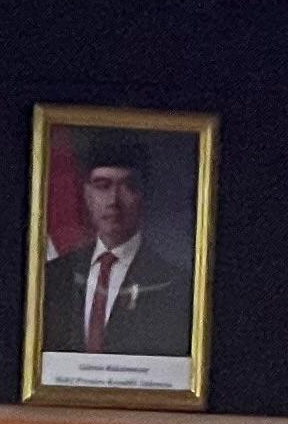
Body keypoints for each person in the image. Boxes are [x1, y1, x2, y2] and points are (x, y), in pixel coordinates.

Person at [39, 131, 192, 359]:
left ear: (144, 194)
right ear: (86, 194)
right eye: (102, 186)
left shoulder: (173, 284)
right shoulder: (53, 275)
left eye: (128, 186)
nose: (113, 201)